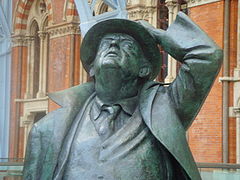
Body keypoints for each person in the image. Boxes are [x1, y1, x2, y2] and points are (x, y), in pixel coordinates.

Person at [23, 12, 222, 180]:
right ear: (91, 67)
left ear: (144, 69)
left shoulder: (166, 106)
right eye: (105, 44)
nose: (113, 46)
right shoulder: (47, 130)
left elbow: (207, 56)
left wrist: (158, 35)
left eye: (127, 44)